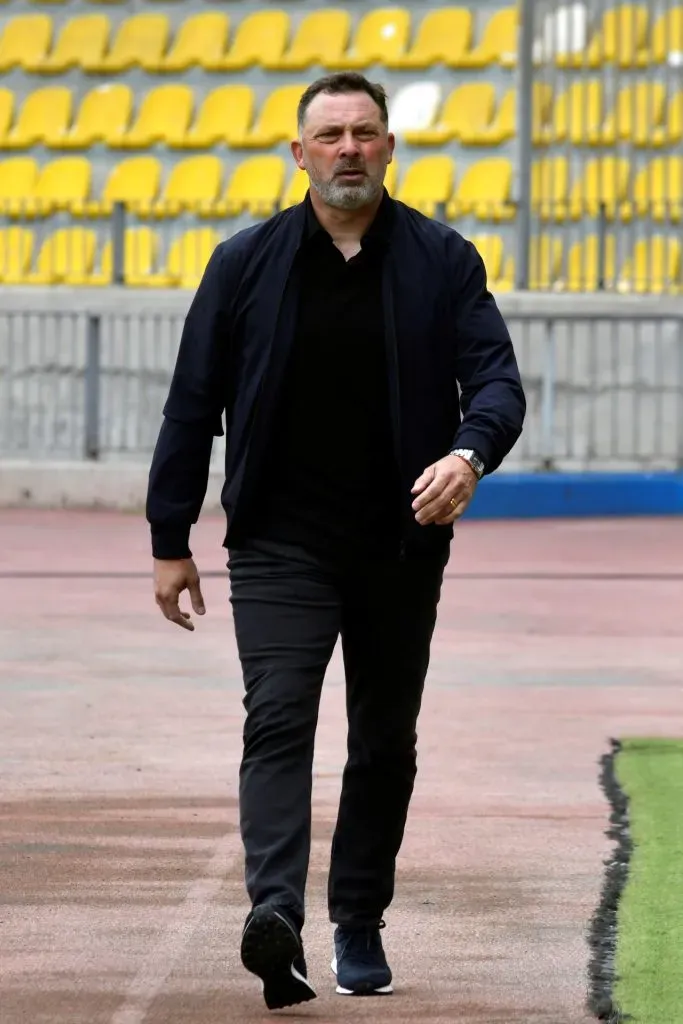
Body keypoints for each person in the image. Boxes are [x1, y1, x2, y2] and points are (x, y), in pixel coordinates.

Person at [146, 71, 526, 1011]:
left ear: (390, 147)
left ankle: (358, 918)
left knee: (382, 740)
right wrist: (170, 535)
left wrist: (469, 459)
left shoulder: (444, 259)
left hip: (400, 542)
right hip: (279, 541)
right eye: (329, 135)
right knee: (278, 718)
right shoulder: (243, 263)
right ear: (299, 153)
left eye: (364, 133)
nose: (347, 149)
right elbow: (192, 403)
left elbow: (497, 386)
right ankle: (273, 915)